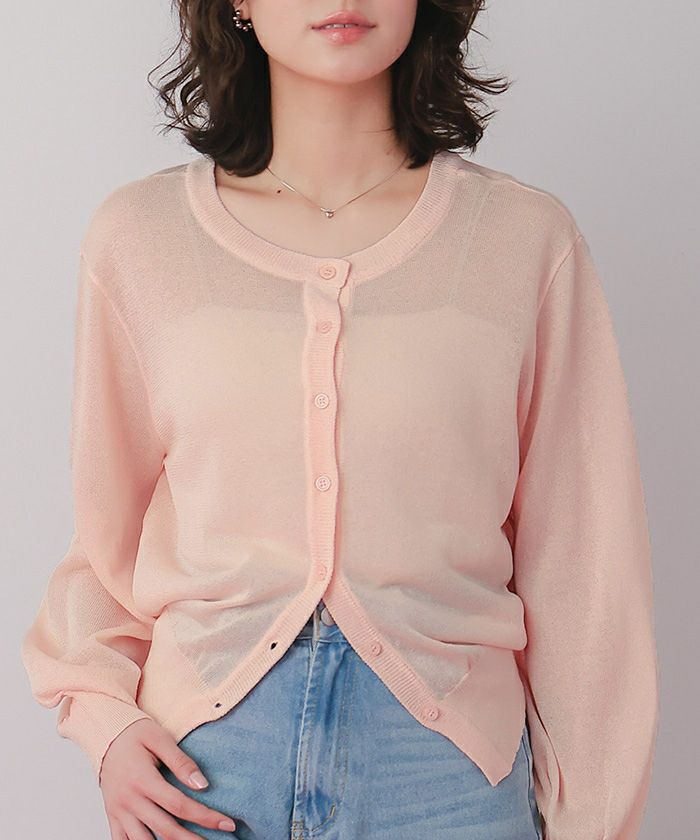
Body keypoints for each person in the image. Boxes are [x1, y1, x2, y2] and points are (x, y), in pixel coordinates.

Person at [20, 1, 660, 839]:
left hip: (448, 779)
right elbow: (106, 539)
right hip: (205, 769)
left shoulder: (524, 241)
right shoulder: (141, 240)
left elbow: (586, 567)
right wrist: (104, 722)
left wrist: (594, 820)